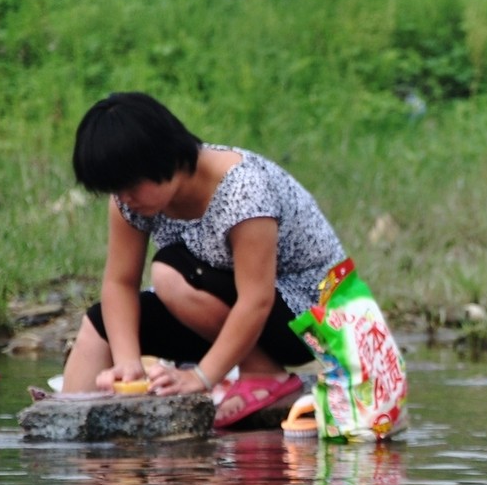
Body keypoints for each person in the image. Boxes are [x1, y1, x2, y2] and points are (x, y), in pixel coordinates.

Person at [63, 91, 349, 428]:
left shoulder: (243, 189)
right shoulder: (129, 201)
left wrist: (201, 377)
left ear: (163, 159)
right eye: (115, 190)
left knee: (170, 273)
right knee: (100, 326)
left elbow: (257, 299)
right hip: (218, 309)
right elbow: (119, 283)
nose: (125, 199)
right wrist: (128, 365)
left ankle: (263, 373)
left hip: (310, 318)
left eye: (130, 186)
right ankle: (65, 427)